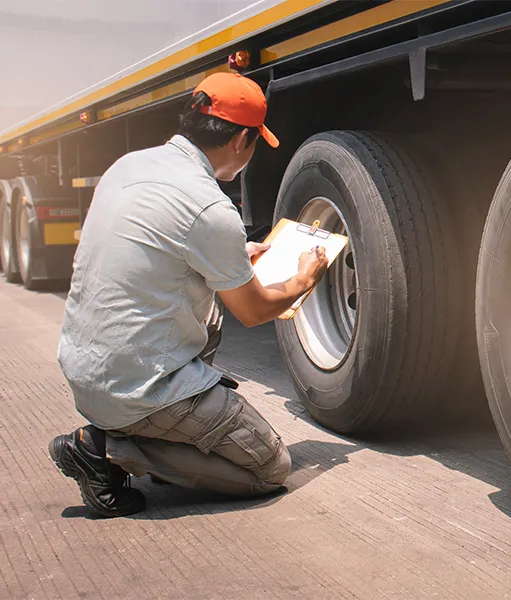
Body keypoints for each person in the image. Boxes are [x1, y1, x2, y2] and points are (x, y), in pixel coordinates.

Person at [49, 72, 328, 517]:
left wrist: (232, 256)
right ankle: (105, 449)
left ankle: (133, 430)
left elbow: (152, 248)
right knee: (269, 468)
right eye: (256, 143)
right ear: (241, 139)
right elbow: (255, 311)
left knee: (211, 315)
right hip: (135, 386)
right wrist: (303, 278)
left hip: (86, 371)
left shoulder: (128, 166)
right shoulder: (210, 208)